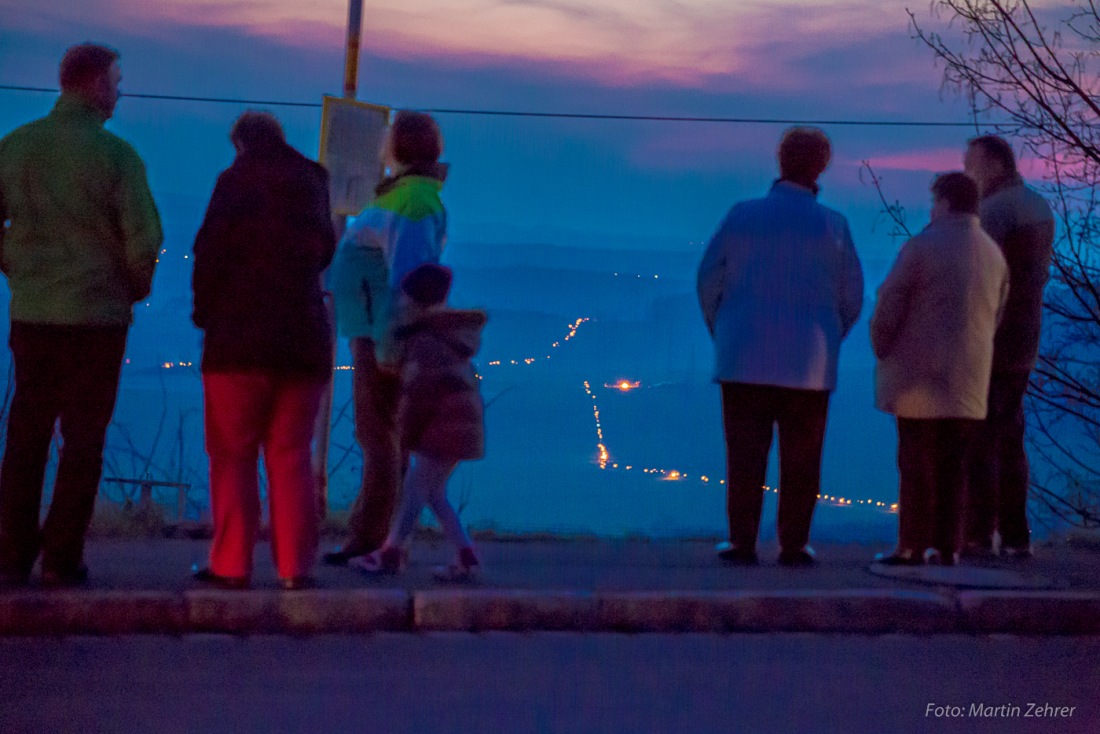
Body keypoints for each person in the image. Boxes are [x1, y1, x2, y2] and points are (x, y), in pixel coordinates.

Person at [0, 44, 162, 587]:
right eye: (117, 80)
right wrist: (128, 287)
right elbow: (145, 240)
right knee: (84, 439)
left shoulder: (16, 147)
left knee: (26, 434)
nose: (120, 90)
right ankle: (61, 556)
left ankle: (11, 550)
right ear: (95, 85)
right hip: (97, 321)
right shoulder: (117, 156)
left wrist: (18, 269)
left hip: (34, 315)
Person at [696, 127, 863, 567]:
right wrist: (826, 336)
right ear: (821, 167)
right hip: (810, 362)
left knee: (745, 455)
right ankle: (794, 544)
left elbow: (709, 279)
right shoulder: (834, 226)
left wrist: (726, 328)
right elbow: (852, 297)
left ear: (779, 161)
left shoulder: (741, 216)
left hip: (742, 354)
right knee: (803, 460)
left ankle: (741, 540)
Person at [190, 111, 336, 590]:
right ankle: (296, 568)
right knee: (291, 453)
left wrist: (205, 313)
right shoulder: (314, 180)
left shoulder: (234, 181)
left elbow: (210, 253)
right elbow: (325, 250)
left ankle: (231, 564)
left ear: (240, 143)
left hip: (238, 342)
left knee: (232, 453)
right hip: (304, 340)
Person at [325, 111, 448, 565]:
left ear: (400, 147)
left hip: (381, 334)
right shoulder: (408, 196)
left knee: (377, 435)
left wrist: (391, 343)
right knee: (382, 435)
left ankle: (372, 540)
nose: (381, 146)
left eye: (388, 139)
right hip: (374, 330)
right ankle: (381, 538)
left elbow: (408, 280)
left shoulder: (411, 202)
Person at [870, 173, 1008, 567]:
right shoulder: (992, 254)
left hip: (918, 377)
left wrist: (883, 349)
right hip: (969, 379)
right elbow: (995, 315)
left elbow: (889, 305)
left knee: (916, 464)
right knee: (954, 467)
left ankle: (910, 544)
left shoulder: (922, 247)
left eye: (934, 200)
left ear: (945, 202)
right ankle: (948, 546)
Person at [351, 264, 485, 581]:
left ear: (415, 301)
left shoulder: (425, 340)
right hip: (459, 423)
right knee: (433, 491)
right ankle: (466, 556)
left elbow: (419, 393)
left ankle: (390, 552)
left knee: (415, 487)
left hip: (441, 426)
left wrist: (406, 434)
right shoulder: (446, 334)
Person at [962, 135, 1055, 559]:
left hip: (994, 340)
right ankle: (1015, 531)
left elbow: (977, 279)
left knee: (982, 438)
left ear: (994, 164)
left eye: (973, 163)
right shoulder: (1037, 206)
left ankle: (980, 531)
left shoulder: (995, 213)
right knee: (1009, 434)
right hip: (1024, 339)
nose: (969, 172)